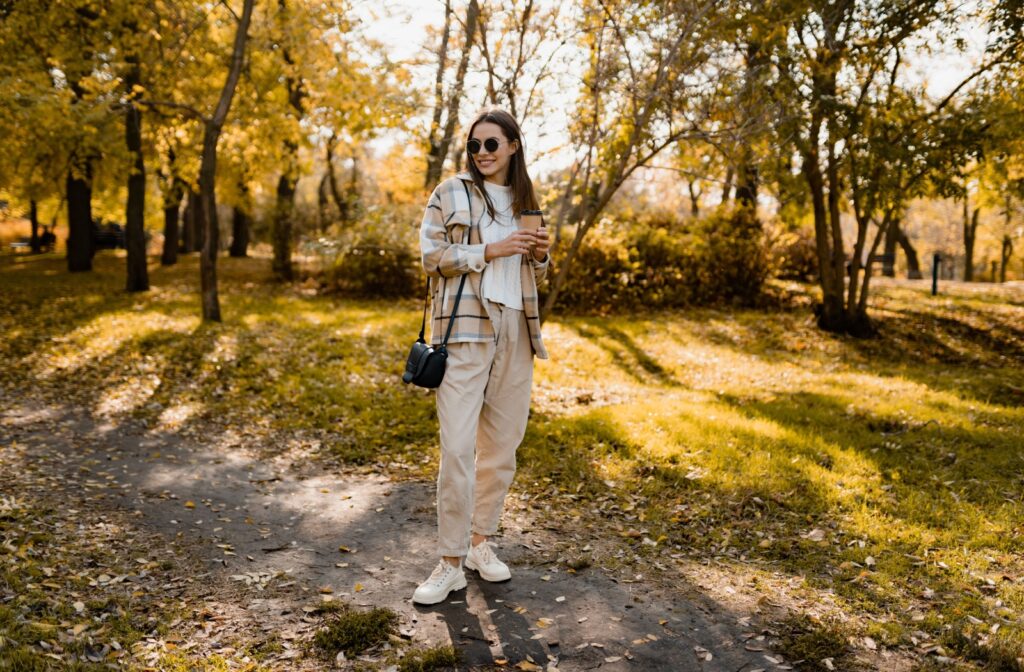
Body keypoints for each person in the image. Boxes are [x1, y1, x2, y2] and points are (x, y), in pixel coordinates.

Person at [413, 108, 550, 605]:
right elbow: (431, 258)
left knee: (502, 449)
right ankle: (448, 562)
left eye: (491, 144)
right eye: (474, 145)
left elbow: (534, 261)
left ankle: (479, 544)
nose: (482, 154)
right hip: (467, 330)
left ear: (513, 145)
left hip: (516, 328)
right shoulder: (449, 192)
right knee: (457, 448)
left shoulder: (525, 199)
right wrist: (489, 250)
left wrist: (537, 254)